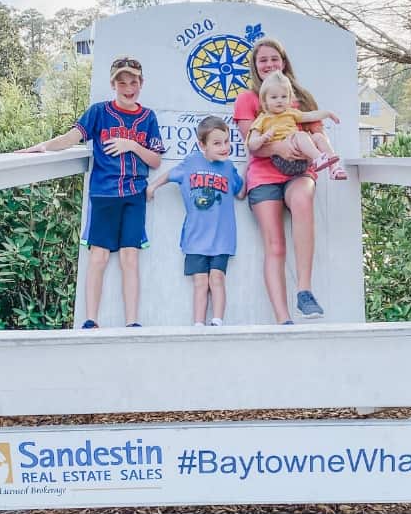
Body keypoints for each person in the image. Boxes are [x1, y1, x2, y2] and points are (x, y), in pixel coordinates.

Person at [19, 56, 164, 328]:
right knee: (98, 256)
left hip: (134, 194)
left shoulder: (148, 117)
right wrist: (43, 146)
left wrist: (130, 144)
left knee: (129, 257)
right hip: (104, 194)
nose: (128, 87)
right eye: (122, 82)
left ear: (141, 83)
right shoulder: (99, 112)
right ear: (113, 84)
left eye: (133, 81)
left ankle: (132, 322)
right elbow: (72, 137)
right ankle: (90, 320)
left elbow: (155, 160)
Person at [233, 37, 346, 324]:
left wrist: (313, 148)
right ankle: (283, 319)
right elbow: (252, 142)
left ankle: (304, 291)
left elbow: (317, 133)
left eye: (274, 58)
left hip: (298, 171)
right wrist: (278, 147)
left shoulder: (301, 99)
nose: (269, 64)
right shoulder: (249, 100)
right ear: (255, 66)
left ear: (284, 62)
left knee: (303, 199)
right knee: (275, 246)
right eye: (263, 60)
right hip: (264, 175)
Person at [147, 116, 245, 326]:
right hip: (196, 237)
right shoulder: (191, 162)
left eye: (226, 142)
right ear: (202, 145)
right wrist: (152, 186)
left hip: (222, 237)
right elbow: (169, 175)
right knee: (200, 282)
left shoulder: (229, 167)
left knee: (217, 278)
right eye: (217, 143)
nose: (224, 147)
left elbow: (240, 192)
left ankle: (217, 321)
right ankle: (198, 324)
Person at [247, 71, 344, 177]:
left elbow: (311, 116)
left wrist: (328, 113)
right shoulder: (262, 119)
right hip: (284, 160)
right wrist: (264, 138)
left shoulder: (291, 113)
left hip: (302, 160)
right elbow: (251, 145)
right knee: (300, 134)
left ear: (289, 98)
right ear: (264, 101)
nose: (279, 101)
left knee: (318, 137)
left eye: (284, 97)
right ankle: (318, 158)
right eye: (274, 97)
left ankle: (334, 168)